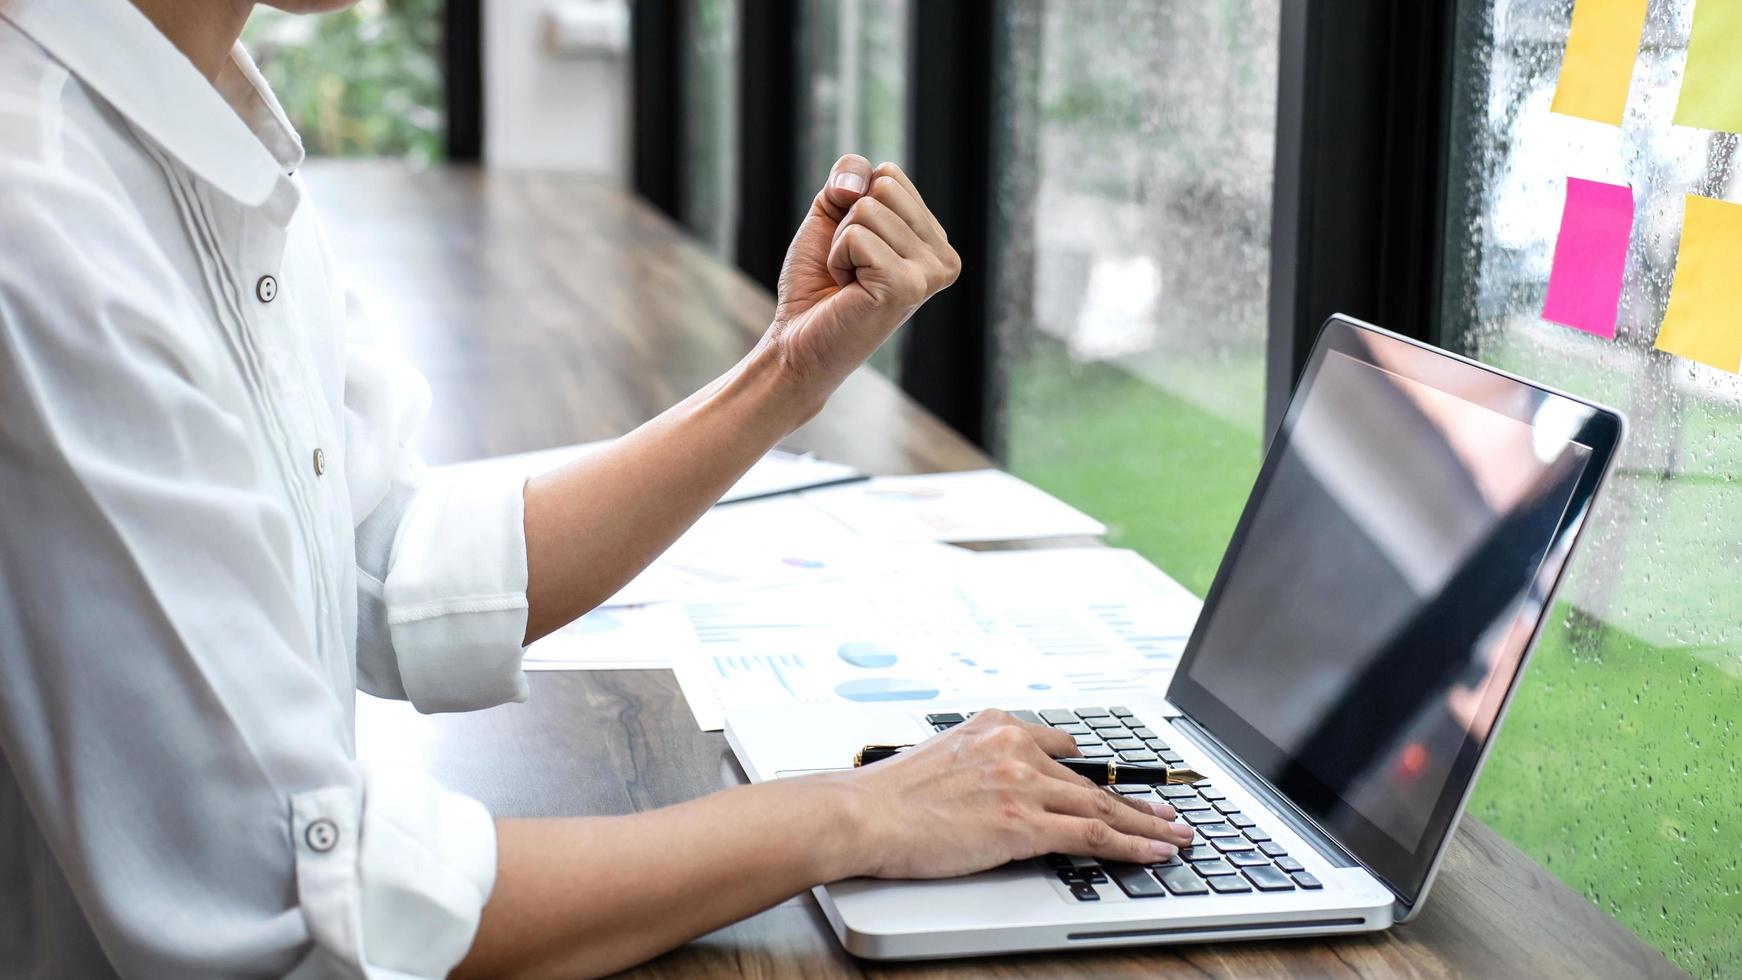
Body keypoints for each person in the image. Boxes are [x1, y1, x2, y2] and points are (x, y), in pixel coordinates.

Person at [0, 0, 1194, 976]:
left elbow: (383, 559)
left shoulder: (196, 128)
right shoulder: (46, 223)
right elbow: (303, 898)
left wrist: (784, 374)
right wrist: (859, 812)